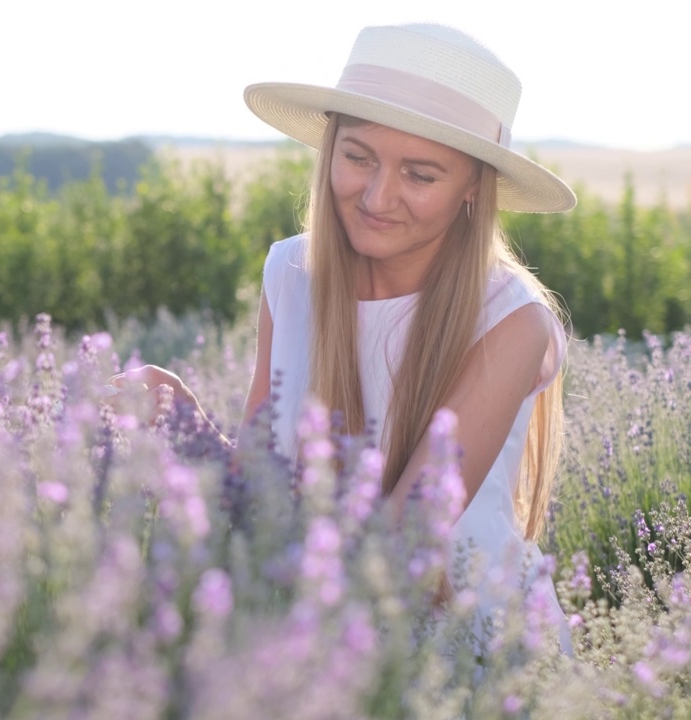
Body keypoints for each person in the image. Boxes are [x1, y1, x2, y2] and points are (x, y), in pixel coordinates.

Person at [114, 23, 574, 652]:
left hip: (471, 652)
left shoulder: (508, 320)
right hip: (330, 640)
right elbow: (261, 486)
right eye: (358, 157)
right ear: (329, 148)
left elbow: (404, 548)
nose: (378, 196)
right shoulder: (292, 273)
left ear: (474, 187)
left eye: (420, 174)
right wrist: (185, 424)